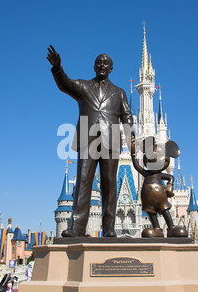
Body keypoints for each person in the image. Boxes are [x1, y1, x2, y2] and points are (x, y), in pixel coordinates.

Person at [47, 45, 134, 238]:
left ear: (111, 68)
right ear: (94, 66)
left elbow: (127, 116)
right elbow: (65, 84)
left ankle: (109, 228)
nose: (102, 65)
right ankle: (77, 227)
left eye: (106, 63)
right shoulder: (83, 86)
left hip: (111, 142)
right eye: (98, 62)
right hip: (88, 141)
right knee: (84, 182)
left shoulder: (119, 92)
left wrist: (128, 136)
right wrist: (57, 68)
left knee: (110, 185)